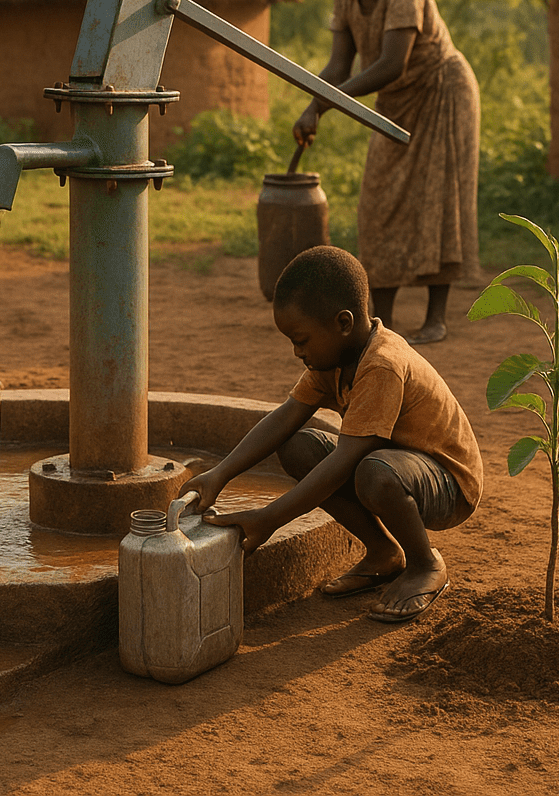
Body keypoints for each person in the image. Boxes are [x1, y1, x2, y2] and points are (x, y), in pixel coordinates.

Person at [191, 246, 482, 625]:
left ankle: (425, 564)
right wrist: (220, 473)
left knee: (372, 472)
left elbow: (345, 462)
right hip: (399, 466)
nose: (297, 352)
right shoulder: (335, 357)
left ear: (343, 323)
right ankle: (382, 553)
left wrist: (268, 518)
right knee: (299, 447)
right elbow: (286, 418)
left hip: (449, 484)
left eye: (301, 339)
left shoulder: (382, 364)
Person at [293, 0, 481, 345]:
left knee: (438, 199)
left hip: (441, 93)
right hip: (395, 100)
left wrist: (328, 106)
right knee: (379, 199)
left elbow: (392, 63)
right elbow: (339, 65)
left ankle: (436, 317)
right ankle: (384, 318)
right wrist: (312, 107)